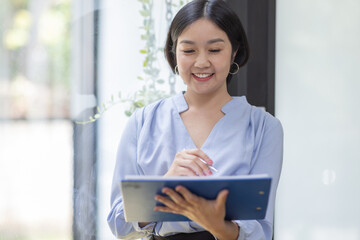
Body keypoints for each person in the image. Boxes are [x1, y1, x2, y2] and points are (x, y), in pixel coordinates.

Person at [107, 0, 283, 239]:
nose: (201, 62)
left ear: (235, 51)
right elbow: (118, 223)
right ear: (173, 52)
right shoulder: (142, 123)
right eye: (189, 50)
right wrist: (164, 188)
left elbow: (260, 232)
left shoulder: (264, 127)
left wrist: (216, 223)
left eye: (214, 50)